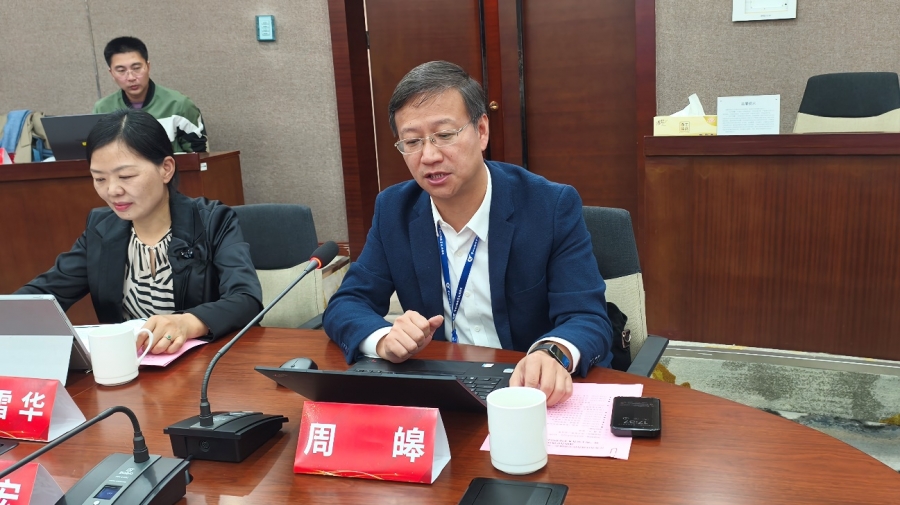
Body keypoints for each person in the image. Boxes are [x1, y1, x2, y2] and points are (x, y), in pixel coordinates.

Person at [323, 61, 613, 406]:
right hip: (446, 393)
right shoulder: (394, 210)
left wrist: (553, 353)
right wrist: (383, 339)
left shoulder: (549, 206)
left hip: (530, 393)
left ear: (482, 131)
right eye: (412, 141)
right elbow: (347, 304)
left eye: (445, 135)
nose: (429, 156)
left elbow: (586, 316)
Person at [16, 109, 262, 354]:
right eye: (100, 179)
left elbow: (246, 299)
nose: (112, 190)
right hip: (129, 367)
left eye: (126, 176)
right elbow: (44, 294)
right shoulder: (101, 229)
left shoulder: (213, 220)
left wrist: (187, 323)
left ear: (166, 169)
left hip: (207, 363)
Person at [92, 36, 209, 153]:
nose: (131, 77)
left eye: (136, 68)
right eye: (121, 71)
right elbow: (98, 153)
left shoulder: (180, 104)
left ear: (148, 67)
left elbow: (199, 154)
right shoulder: (102, 109)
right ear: (111, 73)